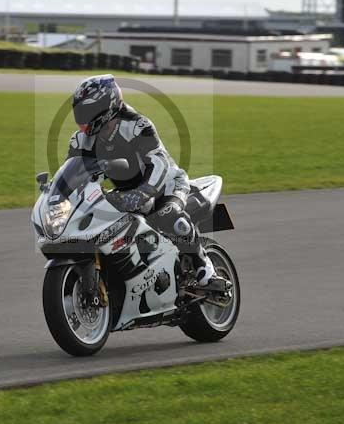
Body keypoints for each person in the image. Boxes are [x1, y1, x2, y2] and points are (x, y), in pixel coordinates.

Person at [67, 74, 227, 290]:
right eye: (80, 111)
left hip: (167, 184)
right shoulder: (80, 140)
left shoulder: (136, 125)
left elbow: (158, 163)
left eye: (88, 110)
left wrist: (142, 193)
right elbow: (72, 174)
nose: (84, 117)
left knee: (168, 215)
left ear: (107, 104)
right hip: (126, 191)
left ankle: (205, 270)